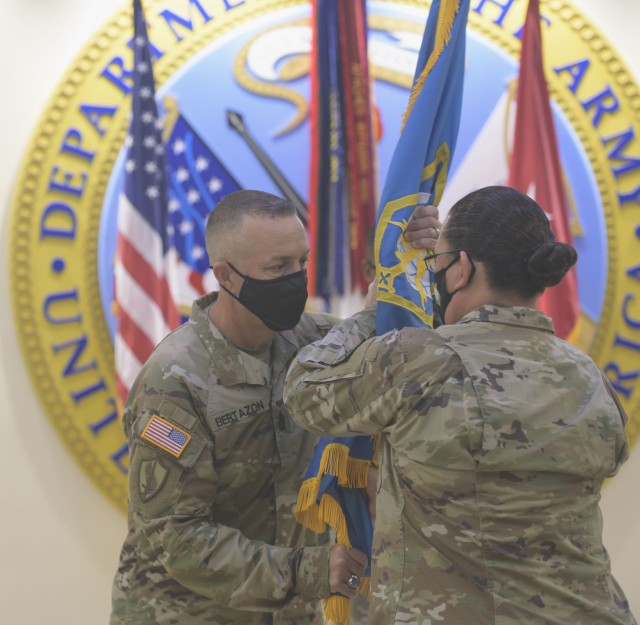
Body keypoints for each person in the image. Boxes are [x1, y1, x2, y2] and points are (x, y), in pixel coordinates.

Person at [284, 186, 637, 625]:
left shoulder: (422, 361)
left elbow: (304, 392)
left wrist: (374, 313)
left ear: (461, 269)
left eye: (439, 263)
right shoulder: (587, 376)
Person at [110, 189, 440, 625]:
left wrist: (413, 257)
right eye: (278, 267)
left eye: (301, 262)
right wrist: (312, 570)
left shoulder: (313, 343)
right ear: (226, 276)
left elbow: (396, 341)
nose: (296, 278)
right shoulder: (175, 382)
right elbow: (178, 538)